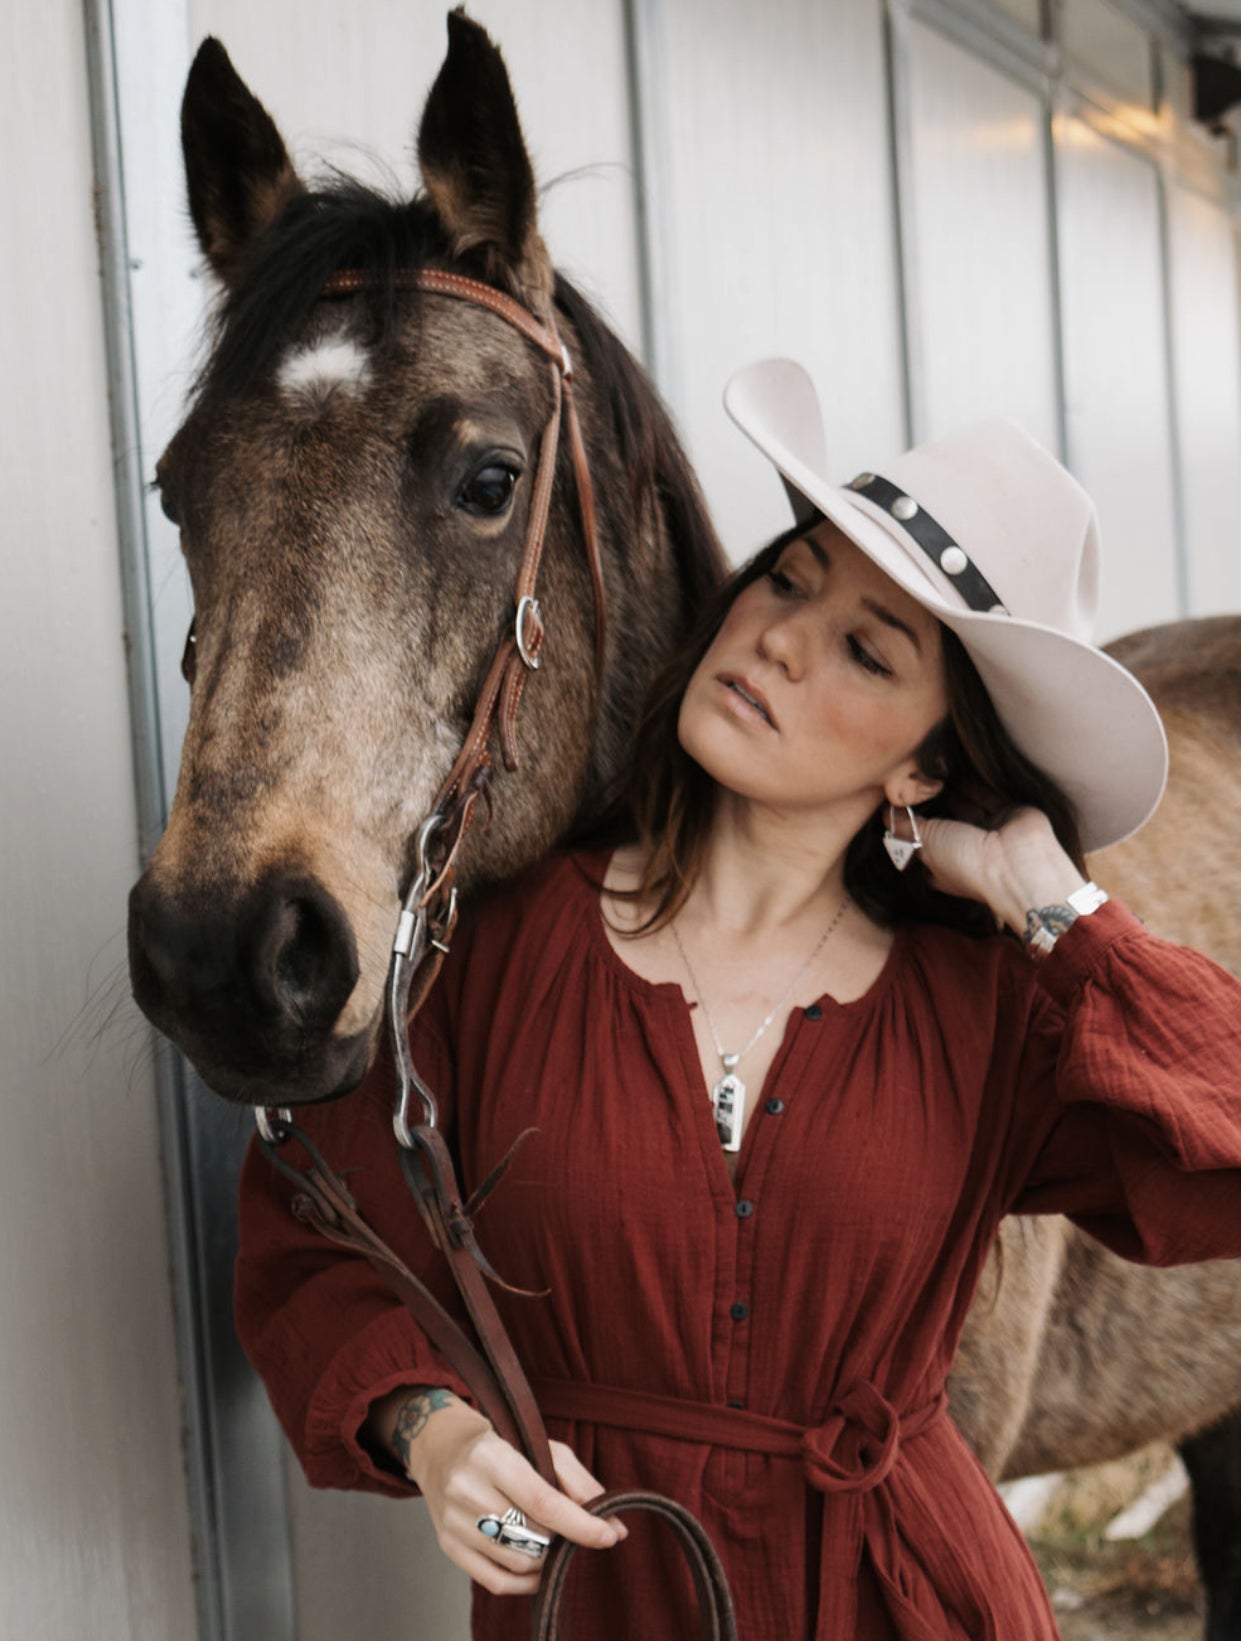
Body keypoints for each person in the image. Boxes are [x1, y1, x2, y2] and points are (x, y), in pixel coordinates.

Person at [234, 358, 1241, 1641]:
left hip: (911, 1602)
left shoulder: (985, 1007)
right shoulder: (495, 949)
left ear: (926, 758)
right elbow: (317, 1236)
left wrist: (1046, 894)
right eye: (788, 578)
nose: (776, 639)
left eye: (864, 653)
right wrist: (429, 1433)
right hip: (604, 1599)